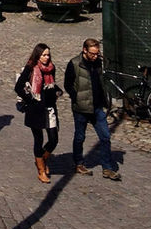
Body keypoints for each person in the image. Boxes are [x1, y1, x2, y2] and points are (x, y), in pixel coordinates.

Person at [64, 37, 120, 180]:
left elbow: (100, 81)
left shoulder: (98, 62)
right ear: (84, 50)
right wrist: (75, 96)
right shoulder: (74, 63)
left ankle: (107, 168)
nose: (95, 56)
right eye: (92, 54)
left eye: (97, 53)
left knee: (105, 137)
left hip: (97, 107)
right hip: (81, 108)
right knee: (79, 137)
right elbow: (67, 84)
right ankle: (79, 163)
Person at [15, 42, 61, 183]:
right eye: (43, 55)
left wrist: (57, 91)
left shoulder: (51, 68)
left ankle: (42, 160)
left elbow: (51, 84)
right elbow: (18, 87)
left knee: (53, 139)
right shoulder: (30, 68)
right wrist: (30, 99)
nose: (46, 58)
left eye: (48, 55)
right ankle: (41, 170)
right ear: (38, 55)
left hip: (49, 107)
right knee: (38, 139)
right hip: (35, 109)